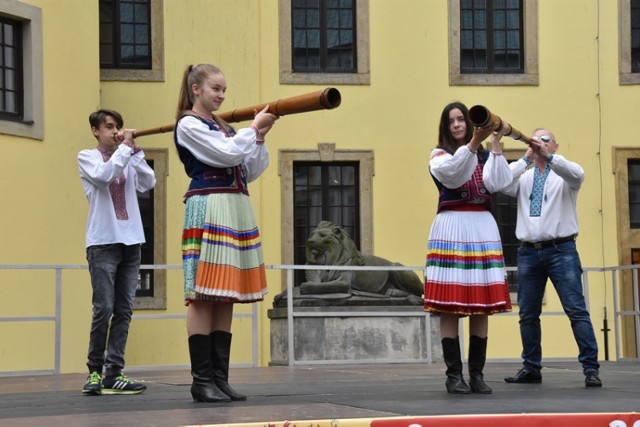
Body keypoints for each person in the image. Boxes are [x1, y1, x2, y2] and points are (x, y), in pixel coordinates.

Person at [174, 63, 278, 403]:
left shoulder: (222, 126)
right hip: (209, 204)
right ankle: (201, 380)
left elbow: (249, 168)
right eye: (215, 88)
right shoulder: (189, 124)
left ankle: (219, 379)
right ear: (196, 89)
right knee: (204, 292)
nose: (221, 95)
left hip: (233, 205)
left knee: (225, 292)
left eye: (224, 90)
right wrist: (252, 129)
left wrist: (258, 137)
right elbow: (227, 153)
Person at [500, 128, 603, 388]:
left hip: (561, 250)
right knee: (527, 314)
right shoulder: (525, 176)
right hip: (528, 252)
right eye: (536, 139)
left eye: (545, 140)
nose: (539, 143)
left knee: (576, 310)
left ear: (555, 147)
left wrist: (549, 157)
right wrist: (524, 159)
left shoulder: (565, 174)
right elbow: (501, 183)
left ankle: (591, 368)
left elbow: (578, 174)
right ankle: (531, 367)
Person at [424, 102, 513, 395]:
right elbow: (455, 175)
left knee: (481, 304)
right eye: (452, 121)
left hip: (482, 226)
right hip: (452, 225)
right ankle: (453, 376)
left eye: (461, 119)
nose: (457, 125)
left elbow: (499, 182)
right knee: (450, 305)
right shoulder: (439, 156)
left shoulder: (487, 155)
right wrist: (476, 141)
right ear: (445, 127)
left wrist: (496, 143)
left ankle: (477, 374)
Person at [78, 109, 156, 395]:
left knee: (124, 310)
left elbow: (148, 183)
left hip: (131, 241)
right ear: (95, 131)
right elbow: (103, 177)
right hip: (102, 243)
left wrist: (135, 153)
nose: (115, 131)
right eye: (109, 127)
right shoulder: (87, 157)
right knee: (104, 308)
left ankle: (114, 371)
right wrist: (125, 149)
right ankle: (95, 371)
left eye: (118, 127)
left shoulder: (127, 157)